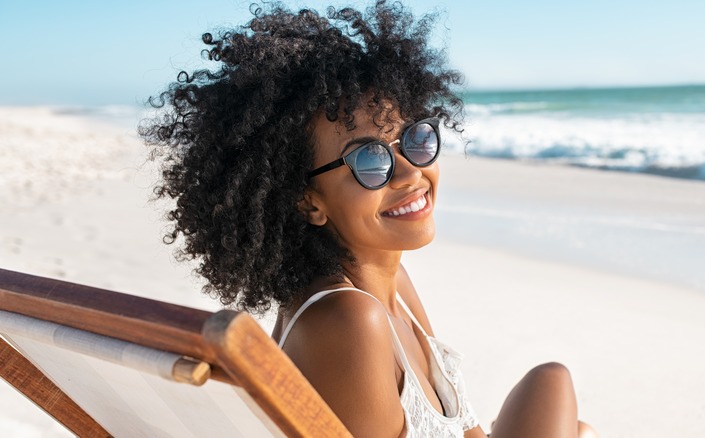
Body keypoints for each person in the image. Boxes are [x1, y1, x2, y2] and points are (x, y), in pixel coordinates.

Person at [141, 1, 597, 436]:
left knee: (566, 410)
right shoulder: (348, 319)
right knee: (555, 387)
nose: (411, 171)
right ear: (308, 201)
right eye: (370, 161)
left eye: (415, 139)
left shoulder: (390, 281)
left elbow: (464, 428)